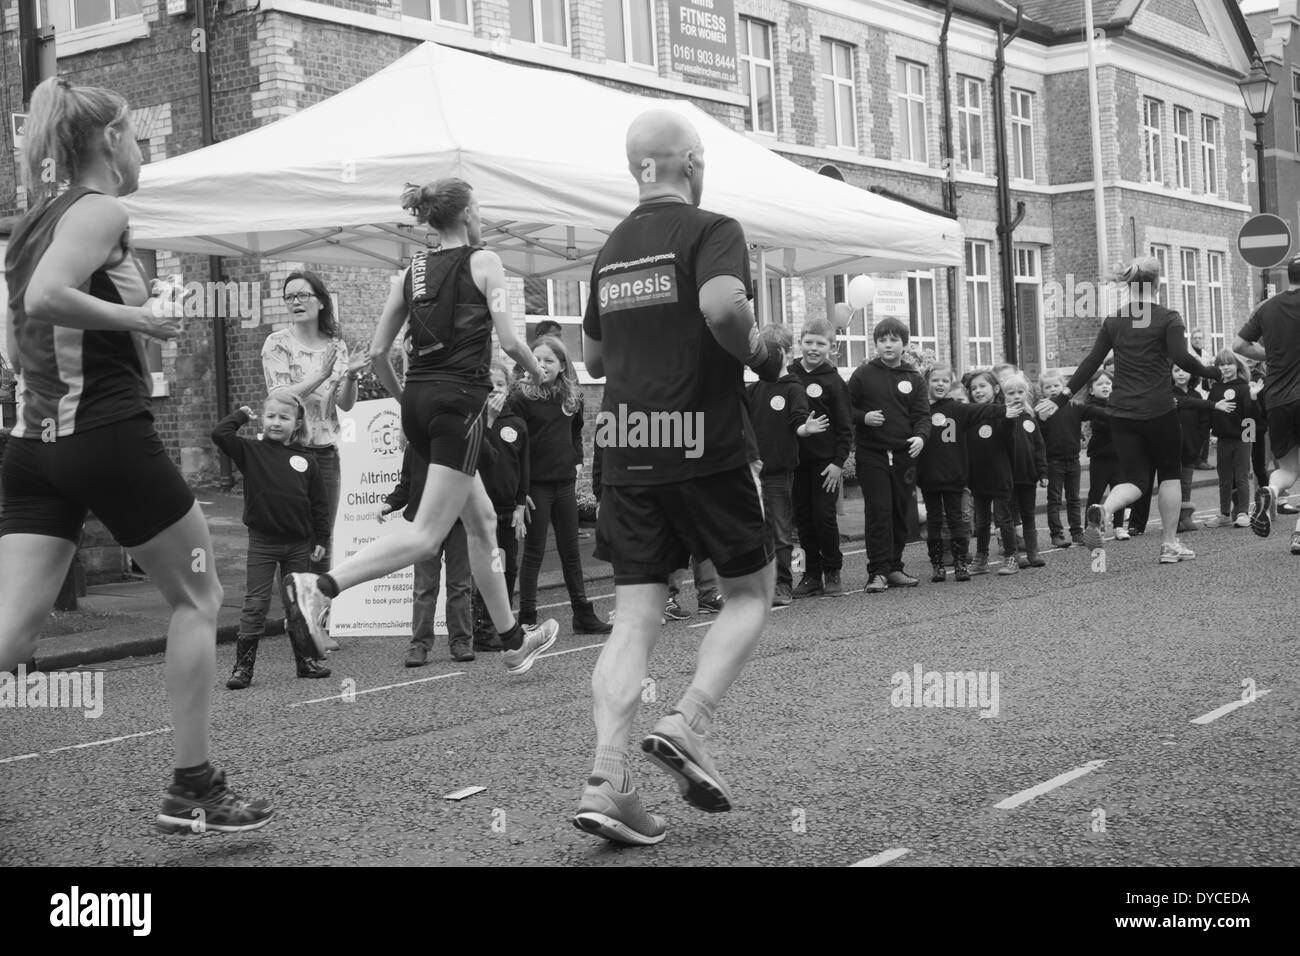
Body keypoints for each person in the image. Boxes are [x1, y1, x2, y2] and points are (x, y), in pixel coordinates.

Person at [0, 78, 271, 832]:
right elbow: (49, 297)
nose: (143, 153)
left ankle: (196, 786)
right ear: (113, 139)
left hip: (33, 448)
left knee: (12, 634)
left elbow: (12, 334)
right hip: (106, 437)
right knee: (197, 597)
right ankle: (194, 787)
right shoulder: (100, 209)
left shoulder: (32, 221)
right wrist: (138, 319)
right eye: (139, 138)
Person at [573, 109, 782, 846]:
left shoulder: (607, 250)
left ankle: (608, 778)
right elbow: (723, 304)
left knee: (634, 616)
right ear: (691, 161)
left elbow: (593, 361)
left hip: (627, 443)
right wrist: (757, 349)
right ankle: (688, 722)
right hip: (703, 441)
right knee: (751, 590)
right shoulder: (709, 228)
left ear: (638, 169)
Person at [283, 178, 560, 678]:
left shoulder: (408, 272)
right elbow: (509, 339)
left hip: (420, 404)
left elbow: (377, 353)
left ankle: (514, 640)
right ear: (469, 212)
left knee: (482, 524)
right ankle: (320, 588)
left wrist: (405, 399)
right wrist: (537, 373)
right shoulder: (485, 261)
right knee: (426, 535)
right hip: (462, 405)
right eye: (479, 207)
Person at [1038, 256, 1219, 564]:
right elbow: (1180, 357)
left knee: (1135, 480)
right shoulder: (1167, 317)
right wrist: (1211, 372)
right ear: (1158, 284)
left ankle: (1105, 510)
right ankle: (1169, 544)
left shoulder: (1115, 320)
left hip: (1121, 412)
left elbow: (1091, 362)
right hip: (1159, 410)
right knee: (1170, 475)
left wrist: (1060, 398)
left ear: (1130, 287)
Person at [262, 270, 357, 651]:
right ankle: (294, 619)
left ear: (320, 300)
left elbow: (345, 405)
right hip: (289, 454)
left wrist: (349, 377)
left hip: (326, 453)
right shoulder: (277, 343)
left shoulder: (337, 345)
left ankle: (318, 626)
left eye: (303, 295)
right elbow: (281, 398)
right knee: (292, 538)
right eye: (289, 297)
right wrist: (320, 373)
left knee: (321, 540)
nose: (296, 302)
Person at [211, 391, 332, 688]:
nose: (276, 423)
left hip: (299, 544)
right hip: (263, 542)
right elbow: (219, 434)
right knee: (256, 603)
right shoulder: (250, 451)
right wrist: (240, 414)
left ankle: (305, 662)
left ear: (297, 422)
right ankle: (243, 669)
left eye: (284, 418)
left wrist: (321, 537)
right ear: (263, 419)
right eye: (271, 416)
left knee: (298, 606)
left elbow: (318, 503)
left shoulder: (306, 459)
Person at [509, 335, 611, 635]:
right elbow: (517, 446)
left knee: (571, 552)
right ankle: (526, 617)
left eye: (549, 360)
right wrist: (521, 489)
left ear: (563, 365)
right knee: (534, 553)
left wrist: (577, 459)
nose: (541, 365)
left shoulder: (572, 397)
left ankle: (583, 614)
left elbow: (577, 432)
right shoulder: (520, 398)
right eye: (536, 359)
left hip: (564, 484)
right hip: (536, 487)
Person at [746, 324, 827, 605]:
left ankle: (783, 584)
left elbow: (798, 422)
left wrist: (806, 428)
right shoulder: (753, 389)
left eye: (767, 354)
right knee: (756, 532)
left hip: (779, 474)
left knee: (780, 532)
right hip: (752, 474)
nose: (762, 361)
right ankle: (761, 585)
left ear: (783, 353)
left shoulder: (793, 387)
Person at [849, 317, 931, 593]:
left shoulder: (913, 378)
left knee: (899, 512)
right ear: (876, 344)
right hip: (872, 454)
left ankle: (895, 567)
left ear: (904, 345)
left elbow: (922, 415)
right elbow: (845, 410)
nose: (888, 344)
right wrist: (863, 417)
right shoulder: (863, 374)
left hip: (904, 455)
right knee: (879, 511)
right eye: (882, 340)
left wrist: (921, 436)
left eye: (894, 339)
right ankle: (877, 572)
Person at [381, 437, 476, 664]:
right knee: (424, 587)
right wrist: (390, 504)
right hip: (426, 522)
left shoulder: (462, 441)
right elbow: (406, 484)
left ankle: (461, 642)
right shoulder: (416, 446)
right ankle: (419, 645)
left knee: (459, 584)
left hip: (459, 520)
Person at [917, 364, 1012, 582]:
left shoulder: (957, 408)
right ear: (926, 383)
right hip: (929, 474)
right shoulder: (920, 410)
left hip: (953, 475)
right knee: (934, 520)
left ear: (950, 384)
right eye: (935, 380)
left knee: (956, 519)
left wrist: (1007, 409)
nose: (940, 384)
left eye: (944, 381)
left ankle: (960, 563)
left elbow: (984, 409)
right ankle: (937, 565)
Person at [1235, 258, 1300, 553]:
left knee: (1287, 468)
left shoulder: (1268, 307)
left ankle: (1271, 491)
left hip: (1277, 399)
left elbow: (1239, 347)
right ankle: (1299, 534)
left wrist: (1271, 355)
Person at [789, 317, 852, 597]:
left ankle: (832, 570)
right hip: (795, 462)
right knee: (802, 519)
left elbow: (844, 427)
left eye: (820, 343)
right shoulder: (789, 374)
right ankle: (809, 574)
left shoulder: (834, 381)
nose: (813, 348)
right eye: (808, 342)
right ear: (800, 342)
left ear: (831, 346)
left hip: (826, 464)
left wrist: (839, 463)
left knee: (824, 518)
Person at [470, 363, 529, 652]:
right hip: (483, 512)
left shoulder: (517, 425)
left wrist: (520, 504)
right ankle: (482, 628)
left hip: (508, 511)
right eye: (488, 385)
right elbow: (481, 458)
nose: (494, 390)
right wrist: (489, 421)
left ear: (508, 389)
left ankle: (501, 625)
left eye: (500, 385)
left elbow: (524, 469)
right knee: (487, 567)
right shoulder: (476, 425)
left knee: (506, 567)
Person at [964, 370, 1018, 575]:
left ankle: (1011, 557)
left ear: (995, 389)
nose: (977, 391)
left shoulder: (1002, 413)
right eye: (974, 388)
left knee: (1004, 518)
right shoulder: (970, 415)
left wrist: (1008, 416)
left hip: (999, 474)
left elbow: (1009, 438)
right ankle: (981, 559)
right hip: (978, 476)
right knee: (982, 522)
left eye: (982, 386)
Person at [1203, 349, 1257, 529]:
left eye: (1229, 363)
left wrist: (1248, 439)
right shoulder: (1216, 387)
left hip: (1242, 439)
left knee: (1241, 476)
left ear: (1237, 366)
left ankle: (1243, 513)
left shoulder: (1244, 387)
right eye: (1221, 364)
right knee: (1224, 478)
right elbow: (1210, 411)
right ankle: (1225, 514)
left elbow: (1251, 416)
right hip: (1223, 439)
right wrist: (1212, 433)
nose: (1225, 367)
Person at [1002, 373, 1048, 568]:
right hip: (1008, 477)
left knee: (1029, 515)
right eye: (1011, 393)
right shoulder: (1002, 418)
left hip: (1028, 476)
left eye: (1020, 392)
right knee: (1010, 517)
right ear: (1004, 396)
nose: (1016, 396)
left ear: (1026, 394)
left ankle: (1033, 552)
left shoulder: (1030, 419)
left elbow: (1039, 448)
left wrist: (1043, 472)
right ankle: (1014, 554)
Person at [1038, 369, 1084, 548]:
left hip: (1073, 459)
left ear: (1063, 387)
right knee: (1054, 500)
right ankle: (1056, 534)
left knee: (1074, 499)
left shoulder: (1072, 406)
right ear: (1042, 390)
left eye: (1056, 385)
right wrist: (1041, 420)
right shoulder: (1042, 409)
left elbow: (1092, 411)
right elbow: (1039, 435)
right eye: (1048, 387)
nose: (1052, 389)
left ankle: (1077, 532)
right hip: (1053, 461)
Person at [1171, 365, 1211, 532]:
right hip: (1171, 449)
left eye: (1184, 370)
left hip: (1191, 448)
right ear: (1170, 374)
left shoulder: (1196, 395)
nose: (1181, 374)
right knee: (1172, 485)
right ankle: (1174, 519)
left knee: (1186, 484)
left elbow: (1204, 423)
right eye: (1176, 371)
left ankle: (1185, 516)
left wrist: (1198, 443)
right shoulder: (1168, 395)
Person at [1191, 328, 1213, 469]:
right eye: (1195, 338)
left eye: (1200, 337)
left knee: (1206, 426)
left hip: (1205, 394)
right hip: (1193, 393)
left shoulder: (1207, 355)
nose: (1198, 340)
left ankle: (1203, 458)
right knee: (1194, 427)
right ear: (1191, 339)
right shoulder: (1188, 355)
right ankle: (1195, 459)